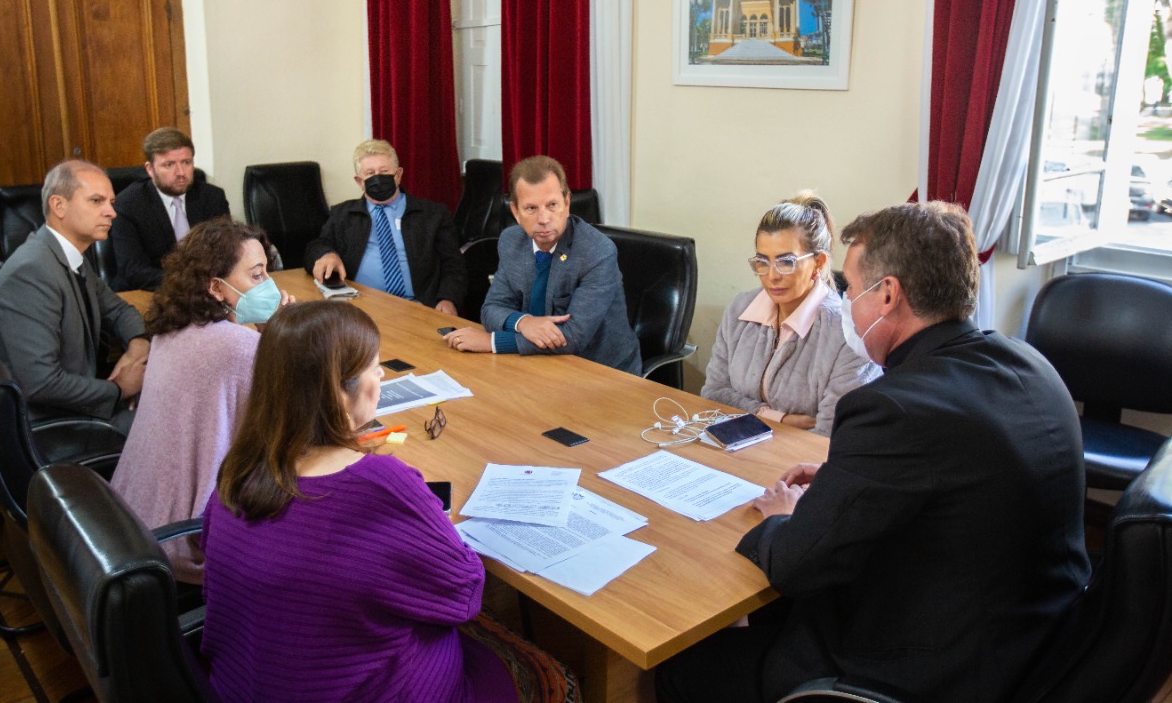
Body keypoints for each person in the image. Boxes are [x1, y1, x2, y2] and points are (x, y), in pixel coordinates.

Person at [655, 202, 1091, 703]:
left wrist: (780, 518)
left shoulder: (891, 408)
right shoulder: (1028, 361)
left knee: (684, 664)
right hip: (1044, 640)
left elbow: (797, 565)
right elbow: (956, 480)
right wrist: (846, 478)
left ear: (887, 295)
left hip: (935, 669)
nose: (842, 302)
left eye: (847, 287)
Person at [200, 302, 576, 702]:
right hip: (371, 691)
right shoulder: (382, 485)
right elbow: (464, 595)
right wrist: (417, 510)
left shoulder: (238, 468)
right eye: (374, 368)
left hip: (241, 685)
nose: (381, 377)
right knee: (548, 673)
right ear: (339, 392)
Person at [110, 217, 293, 584]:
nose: (270, 285)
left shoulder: (171, 329)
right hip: (183, 542)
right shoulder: (238, 347)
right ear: (216, 287)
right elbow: (294, 425)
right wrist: (280, 336)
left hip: (130, 520)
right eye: (257, 276)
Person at [0, 160, 149, 433]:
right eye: (96, 201)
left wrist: (138, 346)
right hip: (48, 423)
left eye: (111, 201)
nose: (111, 212)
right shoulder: (31, 272)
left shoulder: (70, 257)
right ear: (59, 205)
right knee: (177, 428)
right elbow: (41, 384)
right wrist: (118, 389)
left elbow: (119, 310)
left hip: (76, 401)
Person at [443, 156, 641, 374]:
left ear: (566, 204)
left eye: (552, 205)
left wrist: (492, 342)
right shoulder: (511, 242)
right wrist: (524, 322)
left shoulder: (597, 252)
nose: (544, 218)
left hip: (600, 371)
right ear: (516, 213)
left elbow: (573, 337)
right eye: (531, 208)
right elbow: (491, 309)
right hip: (535, 363)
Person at [701, 193, 879, 435]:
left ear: (818, 263)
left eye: (786, 262)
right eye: (762, 262)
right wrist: (775, 417)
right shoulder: (740, 308)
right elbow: (713, 394)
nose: (772, 276)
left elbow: (831, 433)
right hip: (735, 447)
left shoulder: (849, 332)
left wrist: (747, 413)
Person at [304, 139, 465, 315]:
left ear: (398, 174)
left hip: (418, 306)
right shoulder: (343, 214)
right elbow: (316, 245)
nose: (378, 178)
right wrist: (326, 254)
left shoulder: (432, 215)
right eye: (370, 173)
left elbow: (454, 265)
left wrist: (448, 299)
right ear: (359, 181)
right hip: (361, 307)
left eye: (384, 171)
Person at [108, 127, 231, 291]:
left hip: (207, 291)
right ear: (150, 169)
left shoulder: (212, 197)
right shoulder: (127, 205)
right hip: (152, 291)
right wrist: (189, 285)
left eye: (186, 163)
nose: (180, 173)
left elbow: (226, 252)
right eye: (169, 164)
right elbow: (133, 270)